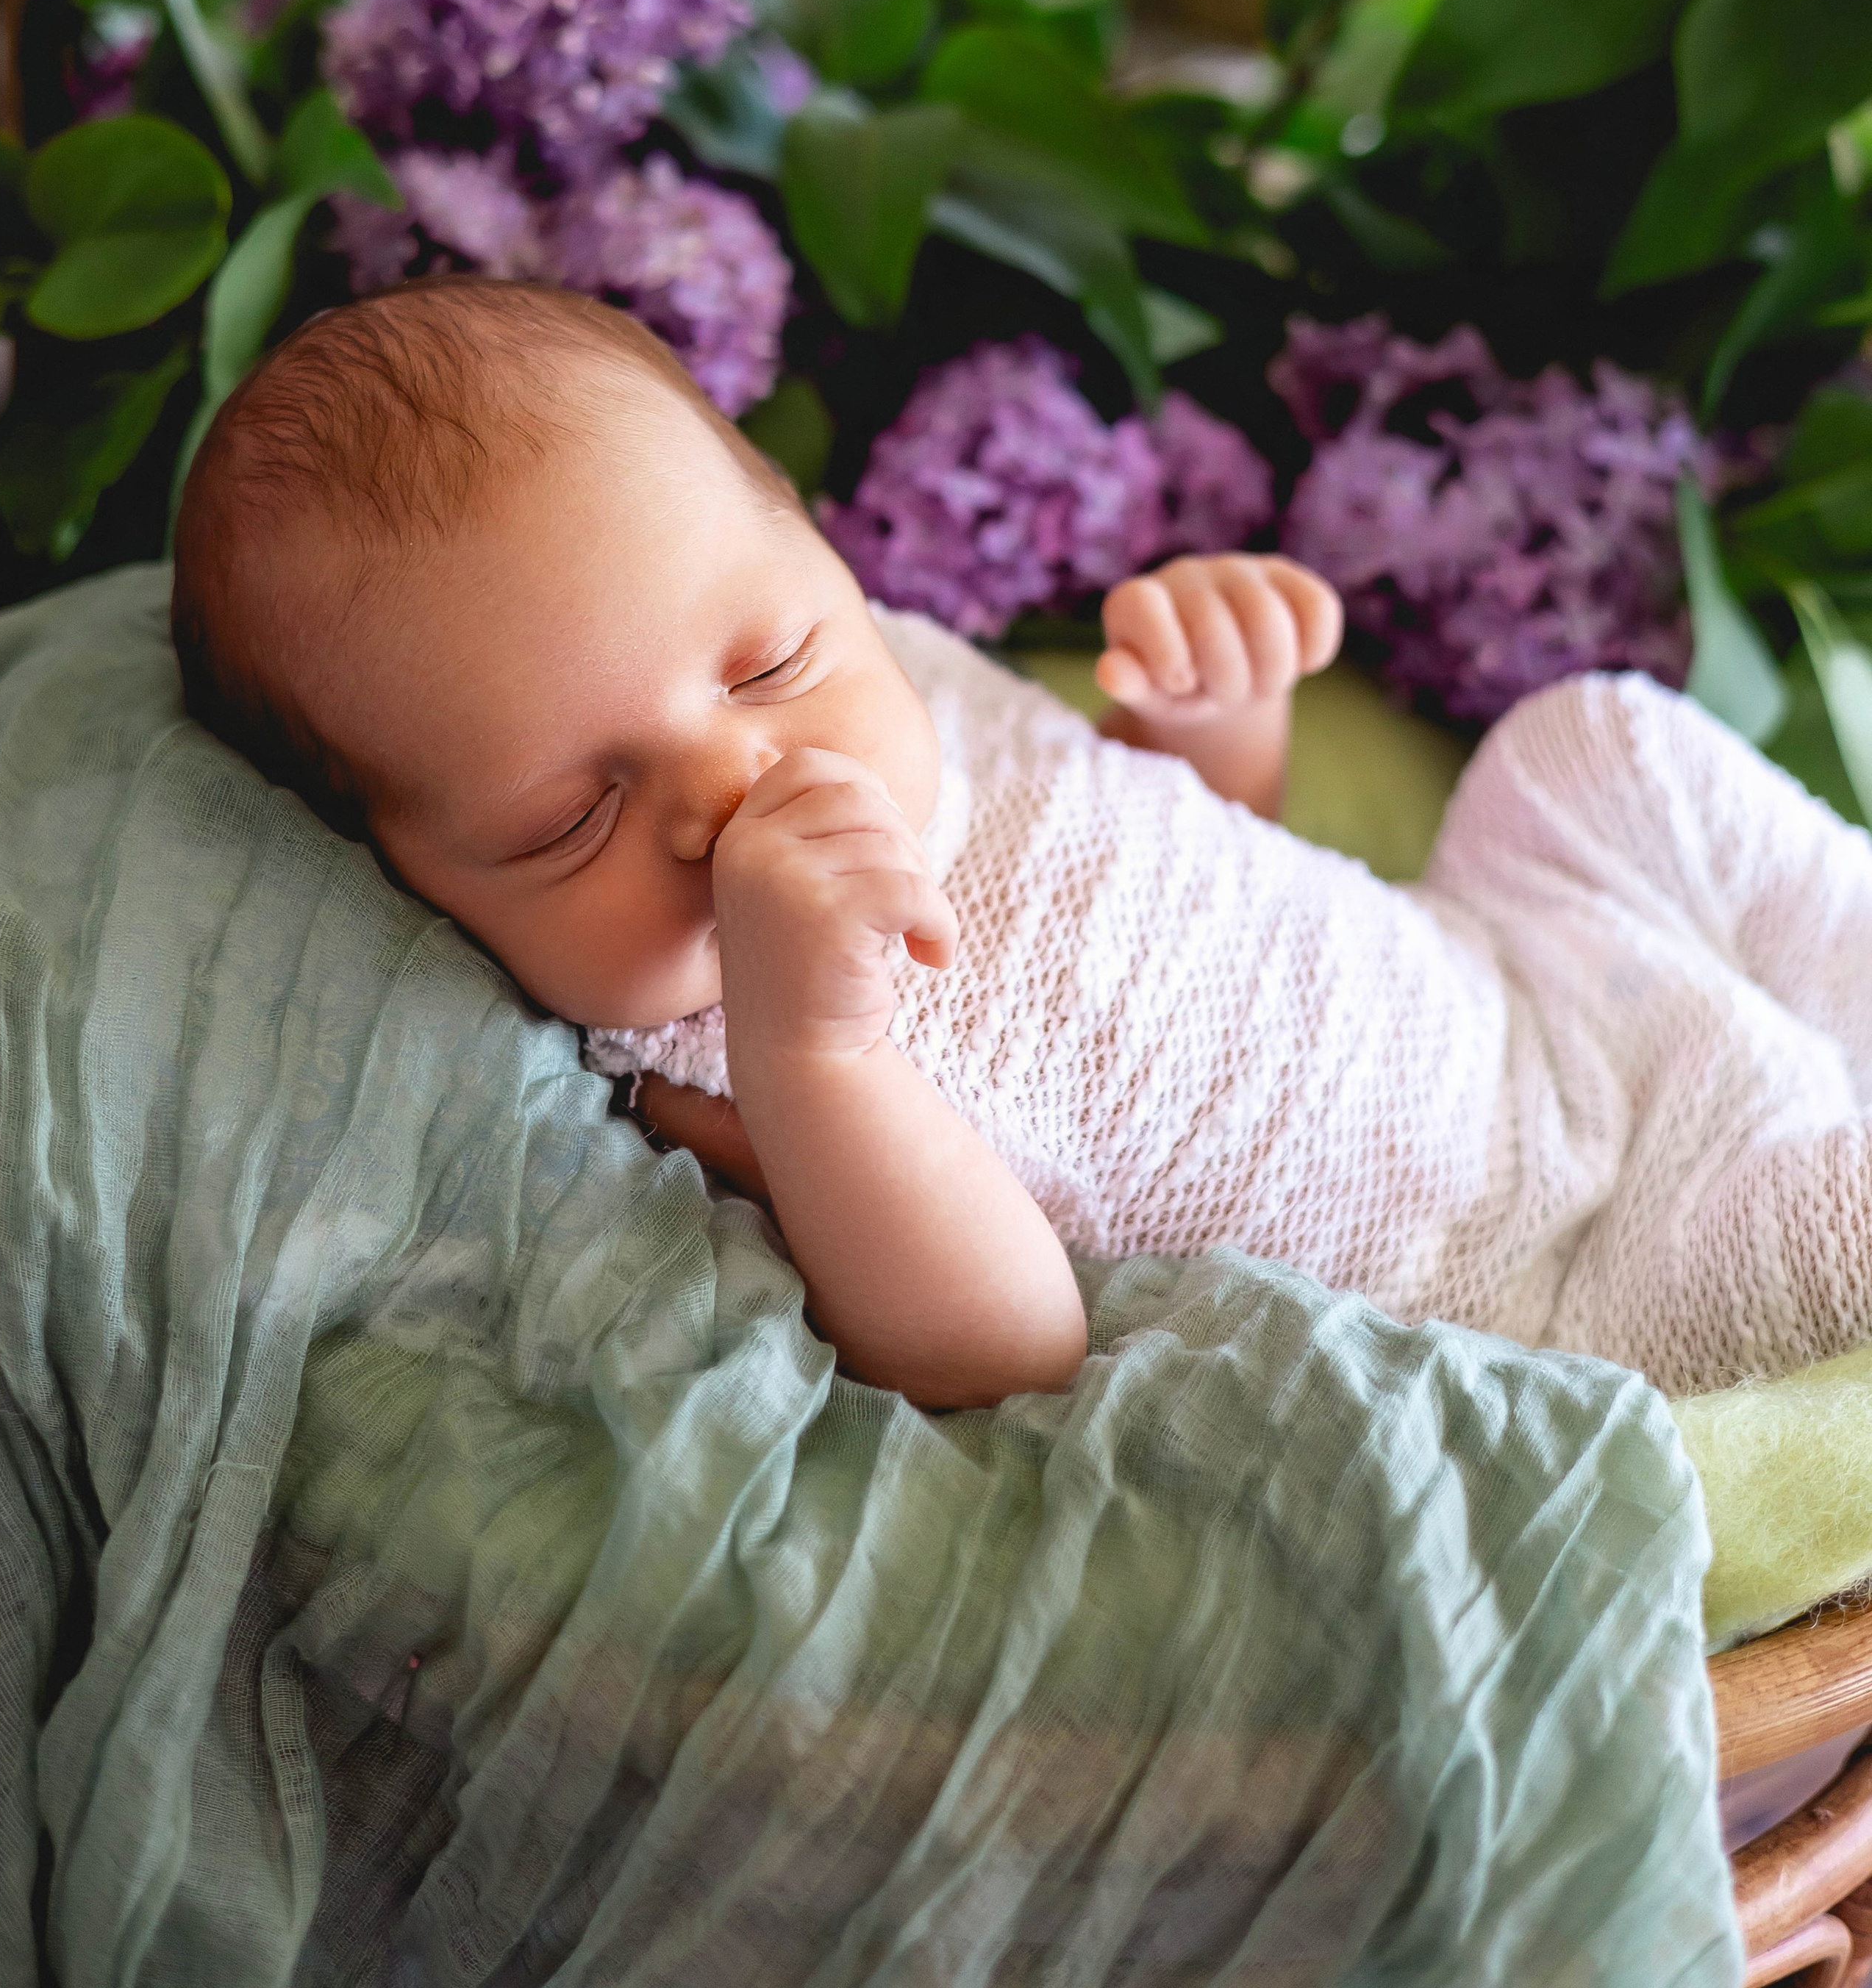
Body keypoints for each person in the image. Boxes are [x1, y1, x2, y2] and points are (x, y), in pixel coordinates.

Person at [174, 279, 1872, 1412]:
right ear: (414, 885)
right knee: (1828, 1226)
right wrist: (814, 1047)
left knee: (1592, 739)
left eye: (766, 662)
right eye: (570, 819)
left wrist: (1207, 723)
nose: (730, 781)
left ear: (809, 540)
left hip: (1507, 976)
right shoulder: (707, 1065)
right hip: (1533, 1266)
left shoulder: (909, 671)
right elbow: (1001, 1346)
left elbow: (1187, 869)